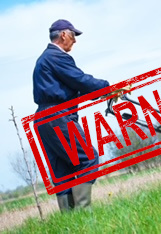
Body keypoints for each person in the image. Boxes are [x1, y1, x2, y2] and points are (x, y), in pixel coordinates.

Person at [33, 19, 111, 212]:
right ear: (64, 35)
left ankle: (69, 223)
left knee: (63, 170)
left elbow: (72, 88)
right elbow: (79, 80)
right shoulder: (56, 57)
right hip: (58, 116)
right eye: (74, 36)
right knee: (88, 158)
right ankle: (83, 213)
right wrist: (108, 87)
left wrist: (101, 93)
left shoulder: (44, 59)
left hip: (43, 118)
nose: (75, 41)